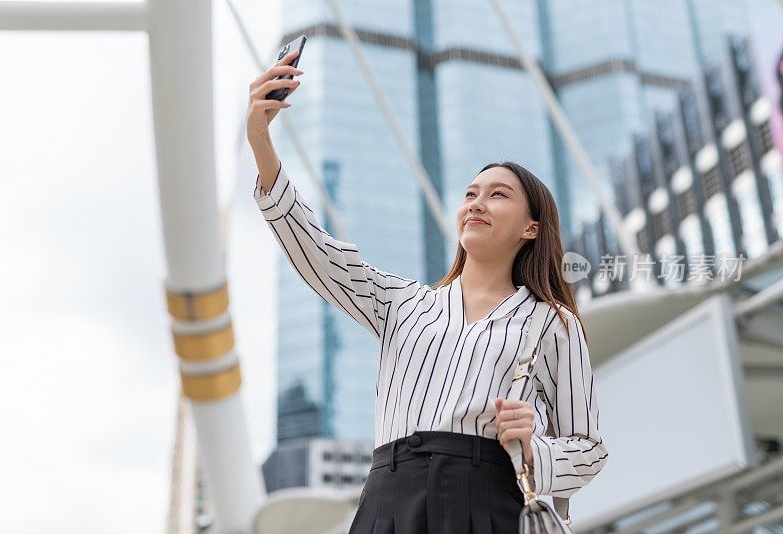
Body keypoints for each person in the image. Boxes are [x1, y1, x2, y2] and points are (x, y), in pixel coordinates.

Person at [246, 48, 608, 533]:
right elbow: (319, 255)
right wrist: (260, 140)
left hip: (487, 502)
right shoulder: (403, 304)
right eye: (470, 194)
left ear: (531, 228)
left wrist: (535, 448)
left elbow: (588, 448)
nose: (476, 203)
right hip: (389, 501)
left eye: (498, 194)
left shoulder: (553, 323)